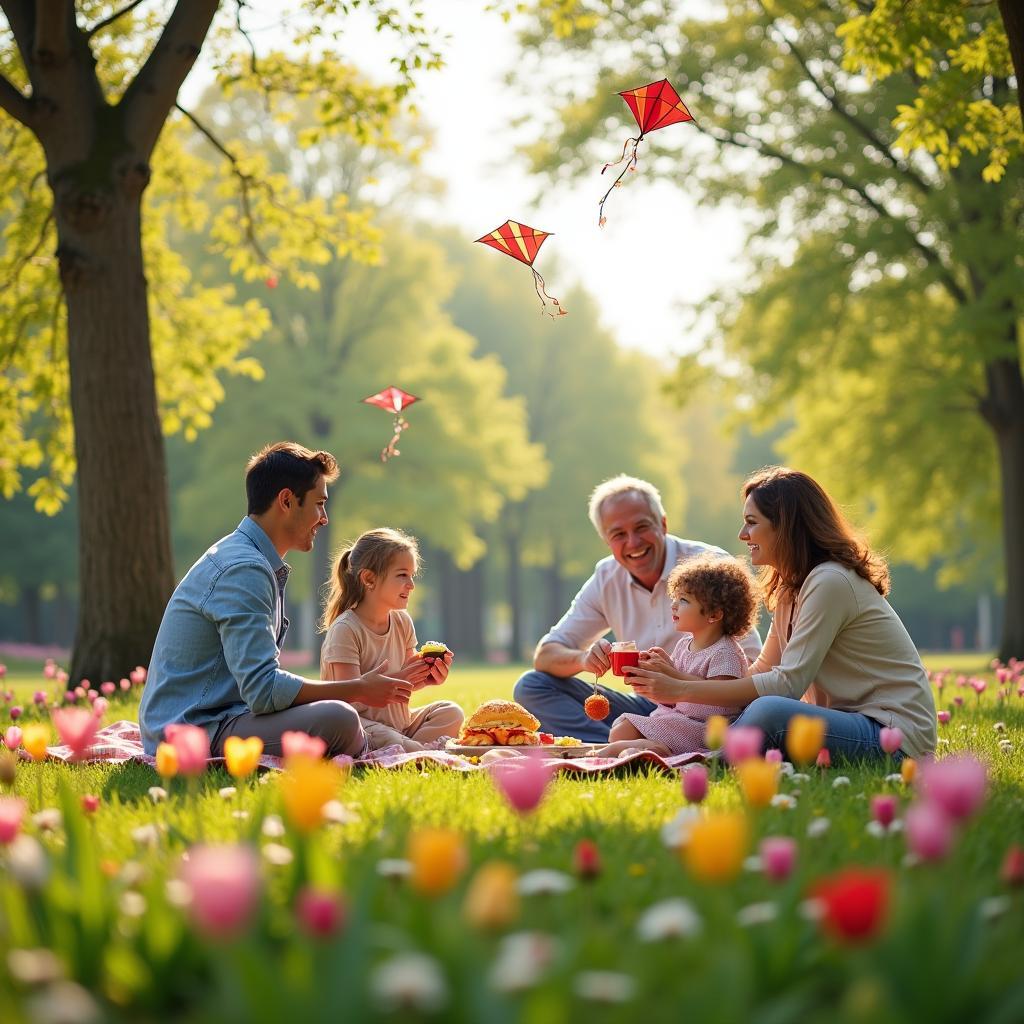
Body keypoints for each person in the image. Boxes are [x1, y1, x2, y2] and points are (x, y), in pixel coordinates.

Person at [625, 466, 937, 761]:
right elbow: (761, 670)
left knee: (769, 711)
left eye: (752, 522)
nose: (742, 534)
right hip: (850, 724)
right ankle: (686, 750)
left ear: (785, 526)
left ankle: (703, 758)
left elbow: (788, 683)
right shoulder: (792, 588)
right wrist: (677, 677)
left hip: (893, 736)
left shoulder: (830, 581)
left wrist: (682, 688)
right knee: (755, 711)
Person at [139, 442, 411, 758]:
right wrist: (359, 688)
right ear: (286, 501)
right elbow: (264, 690)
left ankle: (372, 741)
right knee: (341, 719)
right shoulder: (244, 569)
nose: (324, 518)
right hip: (194, 732)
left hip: (220, 718)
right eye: (319, 503)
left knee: (338, 714)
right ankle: (375, 747)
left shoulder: (250, 559)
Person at [513, 474, 762, 743]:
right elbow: (546, 655)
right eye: (618, 534)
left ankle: (623, 747)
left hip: (709, 714)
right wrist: (584, 659)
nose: (633, 542)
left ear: (663, 524)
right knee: (532, 686)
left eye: (642, 527)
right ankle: (611, 746)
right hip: (653, 708)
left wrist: (679, 684)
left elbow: (751, 667)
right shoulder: (606, 577)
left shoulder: (710, 568)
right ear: (606, 541)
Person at [599, 553, 758, 757]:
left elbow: (721, 702)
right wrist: (658, 671)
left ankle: (655, 751)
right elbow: (674, 697)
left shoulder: (725, 652)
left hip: (701, 728)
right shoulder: (684, 644)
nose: (673, 605)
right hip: (677, 718)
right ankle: (650, 750)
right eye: (675, 598)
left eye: (683, 600)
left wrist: (670, 675)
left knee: (619, 736)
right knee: (621, 726)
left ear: (714, 615)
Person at [320, 528, 462, 752]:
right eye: (402, 575)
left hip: (401, 725)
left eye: (412, 575)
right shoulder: (345, 629)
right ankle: (418, 751)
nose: (411, 585)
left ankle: (410, 749)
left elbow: (407, 683)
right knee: (388, 737)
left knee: (451, 712)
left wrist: (426, 677)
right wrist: (398, 679)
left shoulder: (402, 621)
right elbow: (347, 699)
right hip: (360, 726)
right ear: (369, 578)